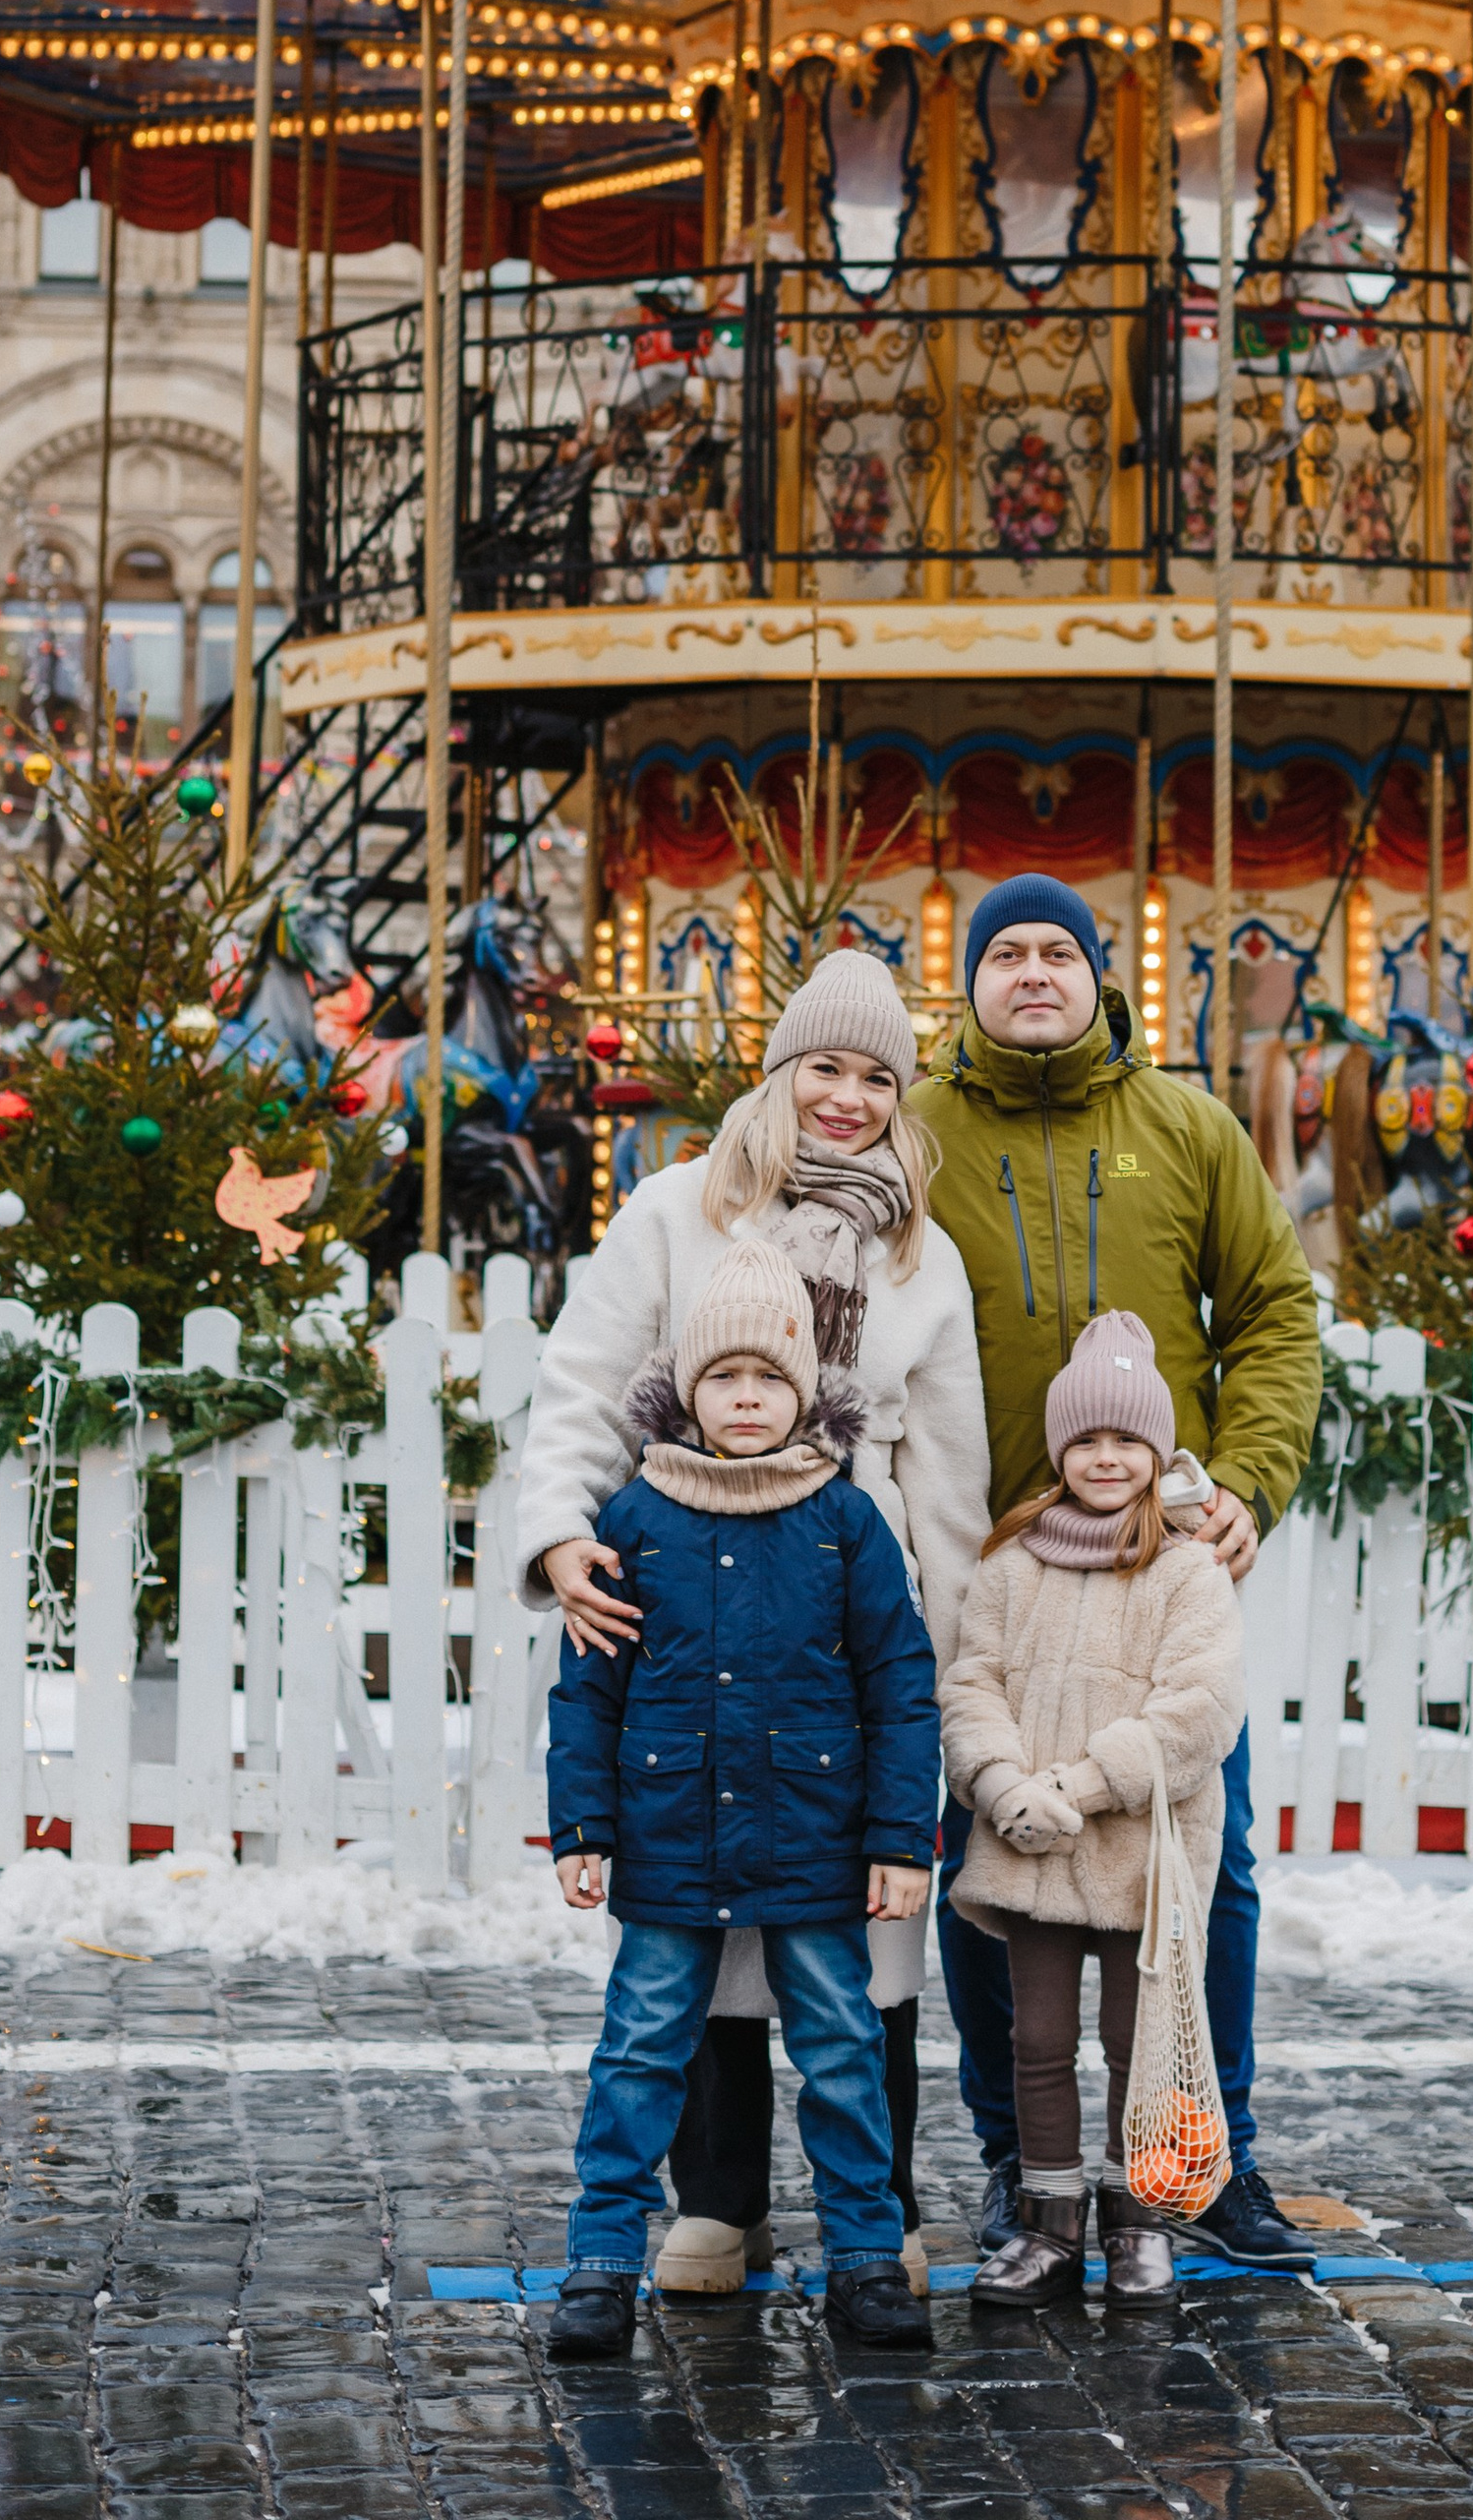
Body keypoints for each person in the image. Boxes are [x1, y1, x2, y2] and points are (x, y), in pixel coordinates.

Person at [517, 944, 989, 2293]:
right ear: (782, 1074)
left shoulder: (921, 1255)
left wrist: (943, 1674)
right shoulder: (677, 1211)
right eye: (825, 1069)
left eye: (876, 1079)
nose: (847, 1099)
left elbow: (948, 1479)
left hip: (846, 1619)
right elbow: (585, 1386)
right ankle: (717, 2200)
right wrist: (560, 1533)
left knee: (865, 1941)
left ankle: (872, 2205)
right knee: (696, 1928)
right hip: (688, 1612)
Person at [911, 871, 1324, 2269]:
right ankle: (1010, 2162)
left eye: (1057, 952)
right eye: (1005, 953)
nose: (1034, 972)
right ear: (970, 982)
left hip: (1157, 1576)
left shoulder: (1185, 1130)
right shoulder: (916, 1134)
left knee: (1205, 1871)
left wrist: (1250, 1479)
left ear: (1102, 974)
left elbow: (1275, 1312)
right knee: (991, 1855)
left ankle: (1211, 2156)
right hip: (988, 1571)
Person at [544, 1241, 939, 2358]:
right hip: (672, 1840)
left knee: (844, 2049)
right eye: (726, 1379)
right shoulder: (632, 1520)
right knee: (637, 2052)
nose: (749, 1399)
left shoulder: (846, 1520)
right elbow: (589, 1689)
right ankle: (602, 2262)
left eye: (771, 1379)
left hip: (815, 1842)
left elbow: (898, 1686)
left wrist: (901, 1837)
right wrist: (582, 1826)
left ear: (804, 1392)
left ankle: (864, 2255)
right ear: (688, 1392)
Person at [940, 1308, 1245, 2304]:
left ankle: (1136, 2221)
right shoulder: (1013, 1562)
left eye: (1126, 1441)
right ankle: (1049, 2222)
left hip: (1135, 1856)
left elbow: (1197, 1712)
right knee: (1032, 2041)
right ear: (1058, 1447)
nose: (1105, 1458)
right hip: (1027, 1843)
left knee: (1129, 2041)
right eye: (1085, 1439)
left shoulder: (1185, 1568)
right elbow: (971, 1683)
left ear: (1156, 1452)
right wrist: (1003, 1785)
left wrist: (1077, 1786)